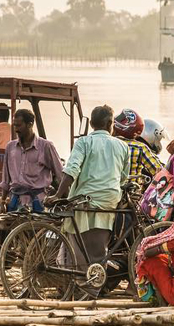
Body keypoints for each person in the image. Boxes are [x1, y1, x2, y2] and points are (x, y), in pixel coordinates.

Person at [46, 105, 130, 268]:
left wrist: (58, 195)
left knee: (79, 247)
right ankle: (93, 283)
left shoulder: (84, 142)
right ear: (109, 124)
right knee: (98, 251)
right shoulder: (122, 146)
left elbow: (71, 170)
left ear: (91, 123)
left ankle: (83, 283)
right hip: (109, 201)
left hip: (85, 200)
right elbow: (123, 178)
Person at [0, 108, 63, 212]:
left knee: (38, 228)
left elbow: (61, 174)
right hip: (15, 201)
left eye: (19, 125)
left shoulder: (46, 146)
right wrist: (2, 202)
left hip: (38, 202)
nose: (16, 129)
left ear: (30, 124)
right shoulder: (10, 147)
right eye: (14, 125)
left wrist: (61, 196)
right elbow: (5, 179)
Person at [113, 108, 161, 188]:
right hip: (132, 195)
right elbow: (159, 171)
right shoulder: (139, 147)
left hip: (107, 191)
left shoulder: (106, 144)